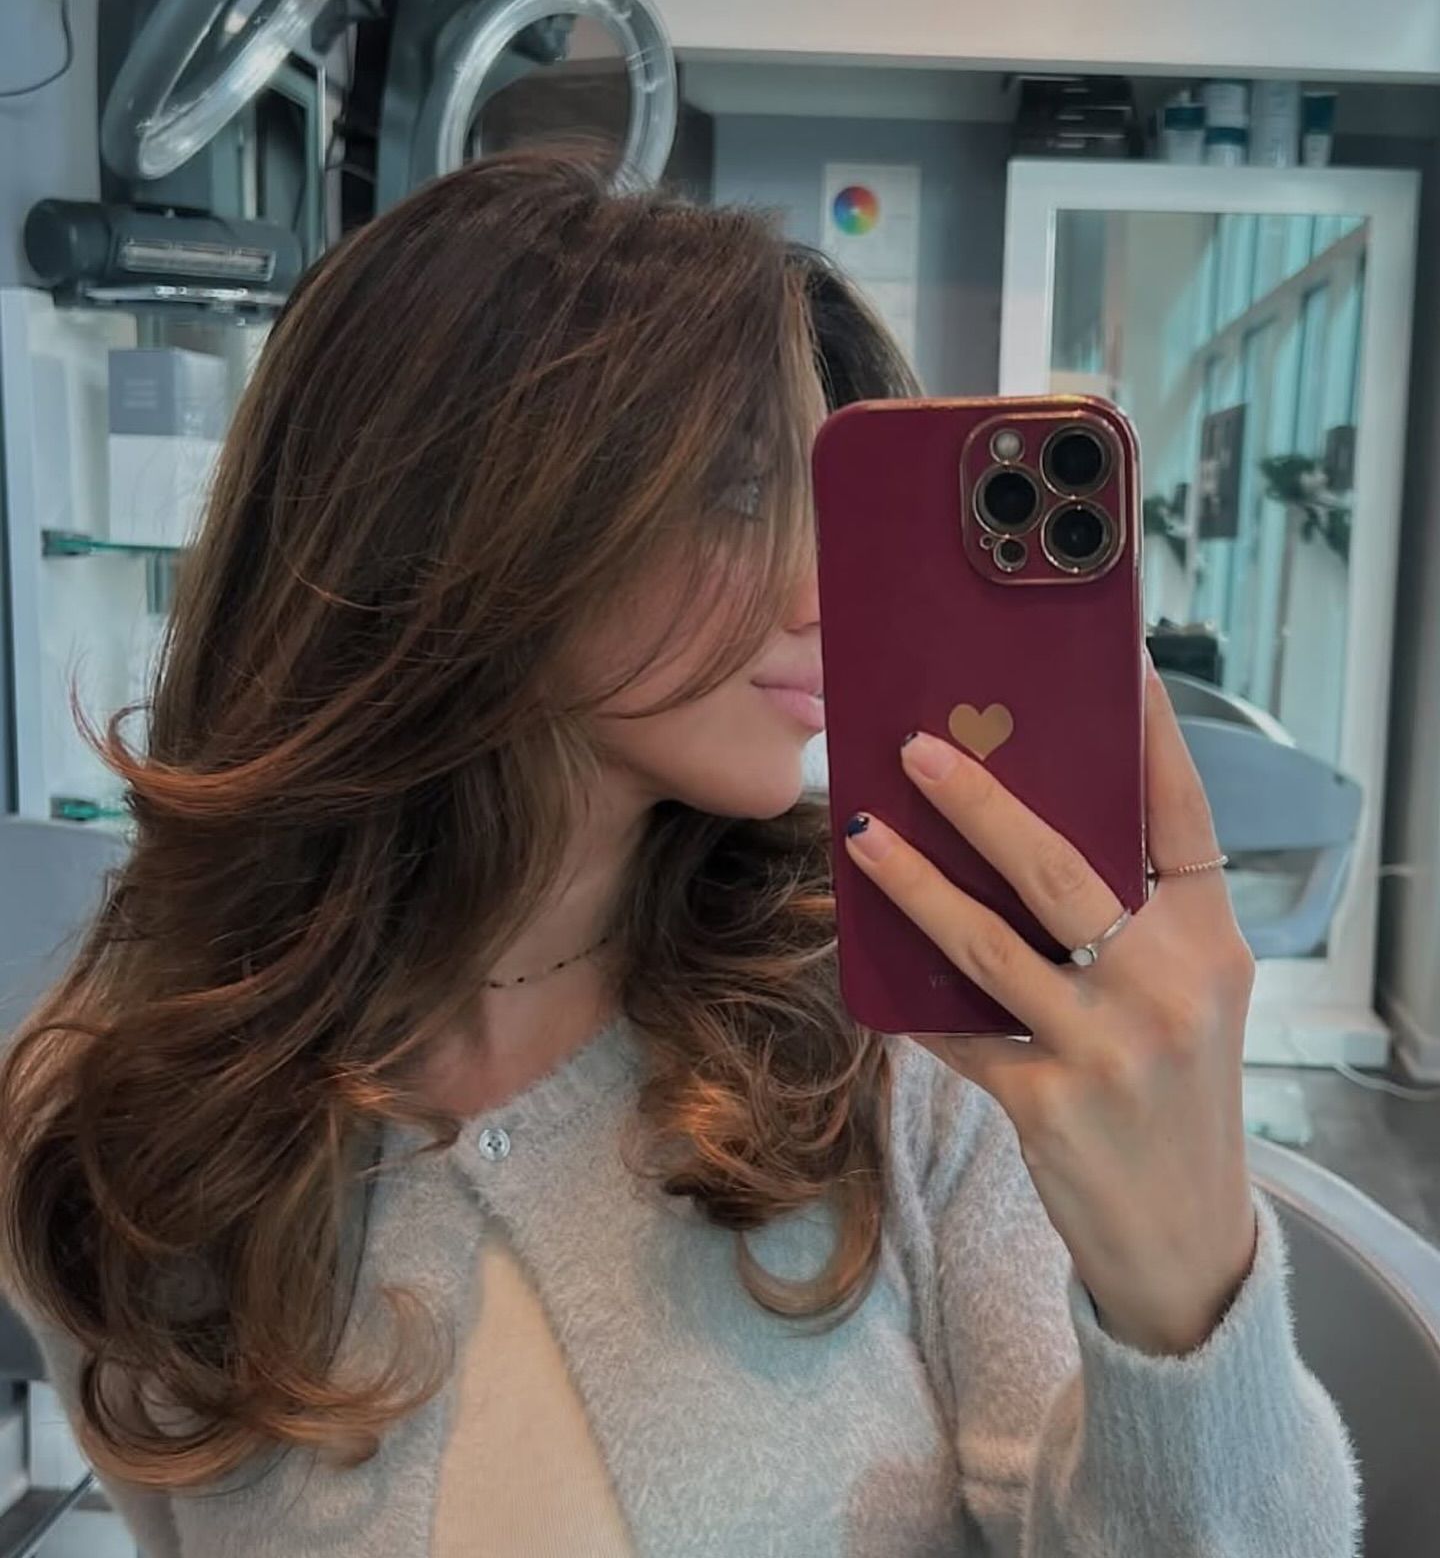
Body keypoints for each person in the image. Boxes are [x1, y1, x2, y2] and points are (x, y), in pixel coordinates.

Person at [0, 146, 1359, 1557]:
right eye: (739, 493)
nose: (829, 590)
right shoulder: (128, 1115)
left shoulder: (904, 1040)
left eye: (833, 510)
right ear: (461, 514)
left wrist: (1187, 1294)